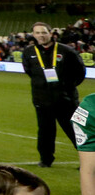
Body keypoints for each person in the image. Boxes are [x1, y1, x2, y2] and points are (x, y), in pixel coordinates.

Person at [21, 21, 84, 167]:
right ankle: (46, 160)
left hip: (65, 100)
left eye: (44, 32)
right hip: (42, 100)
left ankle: (89, 160)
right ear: (33, 35)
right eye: (37, 33)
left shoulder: (67, 51)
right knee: (45, 131)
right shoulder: (29, 52)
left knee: (76, 131)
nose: (41, 35)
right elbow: (30, 72)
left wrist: (66, 88)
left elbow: (80, 72)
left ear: (51, 33)